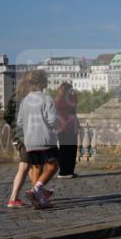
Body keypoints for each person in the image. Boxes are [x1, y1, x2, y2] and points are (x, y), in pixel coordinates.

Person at [16, 70, 60, 209]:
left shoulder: (25, 100)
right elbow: (52, 121)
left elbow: (20, 122)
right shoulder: (47, 99)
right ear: (43, 83)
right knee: (53, 166)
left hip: (30, 141)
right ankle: (36, 190)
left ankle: (39, 201)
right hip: (45, 139)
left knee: (36, 168)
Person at [54, 82, 79, 178]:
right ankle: (65, 171)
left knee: (67, 149)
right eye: (70, 89)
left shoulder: (59, 99)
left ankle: (67, 171)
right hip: (67, 127)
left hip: (64, 127)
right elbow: (73, 106)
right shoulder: (63, 100)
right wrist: (74, 96)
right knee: (68, 150)